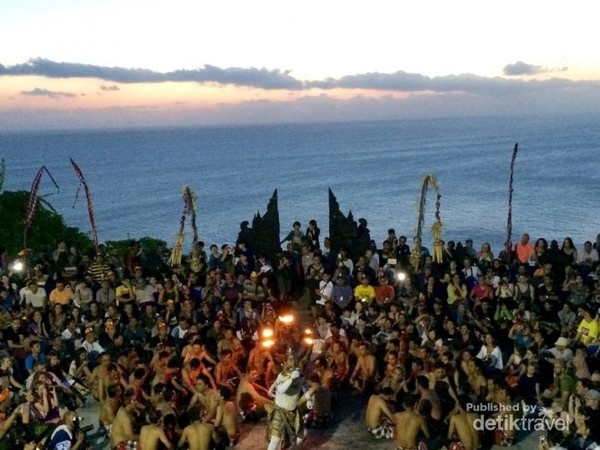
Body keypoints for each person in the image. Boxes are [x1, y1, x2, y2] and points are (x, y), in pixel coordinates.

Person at [266, 349, 304, 450]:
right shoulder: (283, 376)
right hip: (280, 412)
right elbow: (281, 389)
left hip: (293, 412)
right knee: (275, 440)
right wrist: (291, 379)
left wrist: (309, 399)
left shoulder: (300, 377)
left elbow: (305, 387)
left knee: (302, 435)